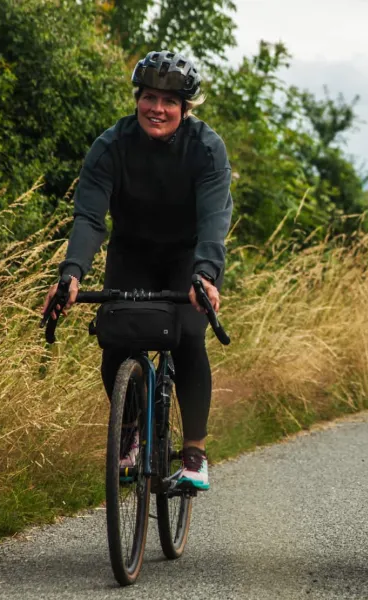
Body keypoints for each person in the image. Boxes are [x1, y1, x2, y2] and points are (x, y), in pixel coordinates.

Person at [41, 50, 234, 490]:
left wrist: (205, 274)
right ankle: (131, 432)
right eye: (149, 97)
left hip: (188, 258)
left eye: (168, 102)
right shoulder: (112, 146)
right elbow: (90, 218)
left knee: (187, 335)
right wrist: (71, 274)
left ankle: (194, 456)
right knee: (116, 337)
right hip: (132, 253)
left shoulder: (206, 148)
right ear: (137, 99)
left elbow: (213, 220)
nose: (157, 109)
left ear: (185, 108)